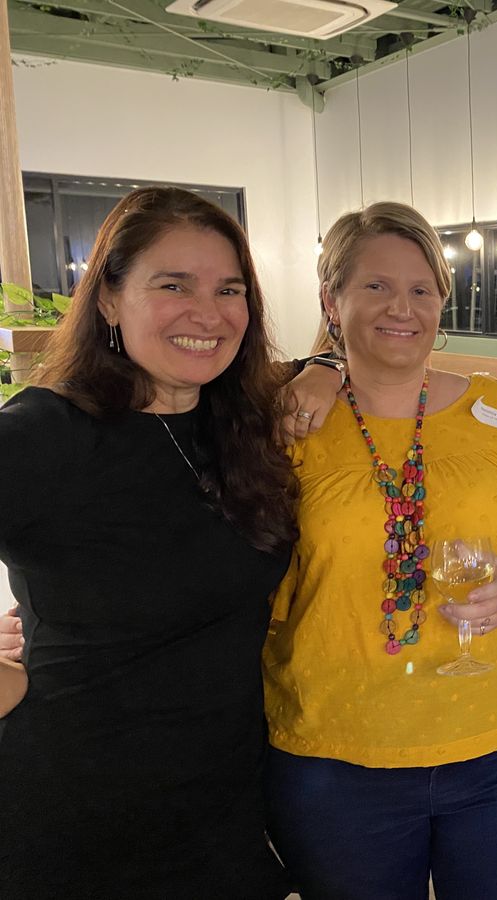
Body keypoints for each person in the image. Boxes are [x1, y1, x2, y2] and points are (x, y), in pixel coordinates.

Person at [262, 201, 497, 900]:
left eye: (422, 289)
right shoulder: (288, 423)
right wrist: (320, 369)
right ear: (330, 299)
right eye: (376, 286)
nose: (403, 308)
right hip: (338, 750)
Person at [0, 187, 296, 898]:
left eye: (229, 289)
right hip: (81, 823)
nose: (208, 313)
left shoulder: (236, 426)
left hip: (223, 811)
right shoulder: (49, 432)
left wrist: (326, 367)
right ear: (108, 299)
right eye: (173, 285)